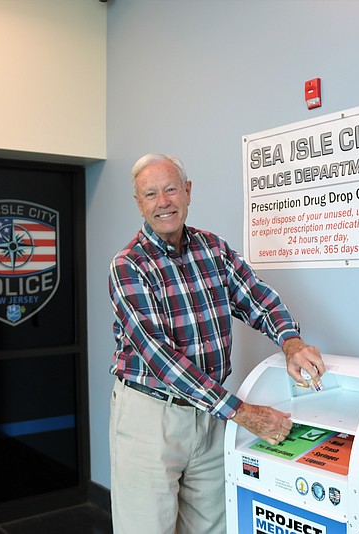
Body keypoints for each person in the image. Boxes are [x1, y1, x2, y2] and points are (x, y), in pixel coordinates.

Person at [108, 153, 326, 533]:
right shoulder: (128, 265)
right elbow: (160, 356)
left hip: (210, 415)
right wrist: (241, 413)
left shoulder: (214, 249)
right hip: (151, 415)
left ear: (188, 192)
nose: (164, 202)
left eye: (171, 189)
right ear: (139, 203)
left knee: (215, 525)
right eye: (151, 194)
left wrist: (290, 341)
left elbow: (258, 299)